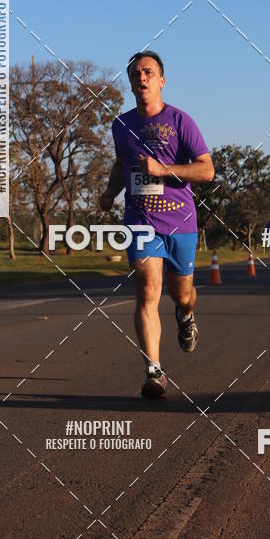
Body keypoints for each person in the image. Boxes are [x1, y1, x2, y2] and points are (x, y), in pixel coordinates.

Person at [99, 52, 214, 400]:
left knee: (182, 293)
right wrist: (109, 192)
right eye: (135, 73)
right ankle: (154, 371)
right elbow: (122, 165)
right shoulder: (121, 125)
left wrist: (163, 170)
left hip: (180, 222)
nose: (142, 77)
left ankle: (185, 315)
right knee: (147, 290)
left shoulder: (181, 121)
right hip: (140, 221)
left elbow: (206, 170)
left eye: (148, 72)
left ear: (161, 80)